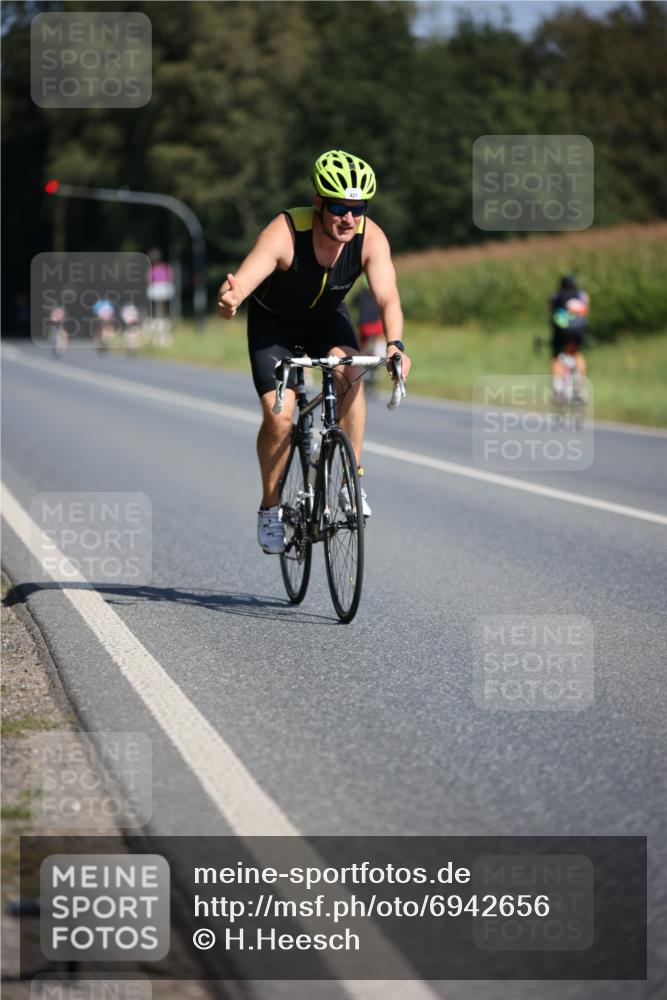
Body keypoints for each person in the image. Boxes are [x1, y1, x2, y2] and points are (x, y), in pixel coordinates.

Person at [218, 149, 411, 555]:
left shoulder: (369, 237)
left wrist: (395, 345)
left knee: (350, 374)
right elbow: (247, 278)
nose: (349, 218)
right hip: (275, 326)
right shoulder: (286, 232)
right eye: (339, 207)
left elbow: (388, 297)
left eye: (358, 208)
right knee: (281, 416)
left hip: (326, 319)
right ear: (319, 203)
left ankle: (349, 483)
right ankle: (270, 506)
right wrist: (232, 298)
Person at [549, 275, 589, 400]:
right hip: (579, 329)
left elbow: (552, 315)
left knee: (556, 356)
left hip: (562, 329)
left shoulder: (555, 296)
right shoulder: (583, 295)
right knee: (576, 354)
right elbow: (586, 313)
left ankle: (557, 386)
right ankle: (580, 386)